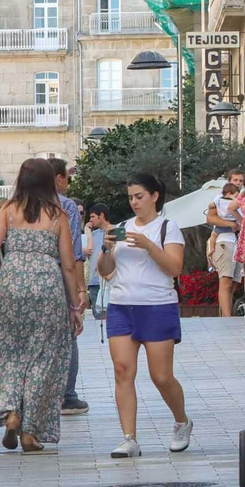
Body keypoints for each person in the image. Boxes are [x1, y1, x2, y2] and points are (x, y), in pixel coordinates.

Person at [0, 159, 82, 453]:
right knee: (42, 358)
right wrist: (75, 305)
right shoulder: (58, 215)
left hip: (12, 286)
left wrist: (5, 265)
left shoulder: (9, 210)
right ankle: (30, 431)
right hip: (47, 288)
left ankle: (12, 413)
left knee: (10, 354)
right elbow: (69, 265)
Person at [97, 172, 192, 459]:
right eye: (130, 198)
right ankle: (129, 438)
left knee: (161, 376)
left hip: (157, 306)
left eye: (139, 196)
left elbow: (174, 268)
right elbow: (105, 271)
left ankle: (182, 421)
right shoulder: (122, 228)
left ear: (154, 196)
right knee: (122, 371)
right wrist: (106, 248)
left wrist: (149, 245)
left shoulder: (168, 228)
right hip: (121, 305)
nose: (134, 202)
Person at [48, 158, 91, 416]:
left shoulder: (19, 204)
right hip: (59, 277)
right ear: (58, 178)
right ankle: (67, 396)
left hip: (25, 278)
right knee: (69, 334)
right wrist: (80, 291)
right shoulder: (67, 206)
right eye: (67, 177)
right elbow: (74, 253)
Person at [206, 170, 244, 319]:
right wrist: (231, 224)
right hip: (225, 241)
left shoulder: (241, 199)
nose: (238, 183)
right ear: (229, 181)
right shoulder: (220, 198)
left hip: (238, 243)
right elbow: (210, 218)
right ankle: (226, 319)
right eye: (235, 180)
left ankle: (227, 315)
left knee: (234, 284)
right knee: (226, 280)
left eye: (240, 180)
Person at [85, 203, 111, 316]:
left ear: (101, 215)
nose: (90, 220)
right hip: (94, 282)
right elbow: (88, 252)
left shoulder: (115, 231)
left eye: (93, 216)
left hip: (111, 282)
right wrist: (88, 233)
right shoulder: (92, 235)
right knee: (98, 317)